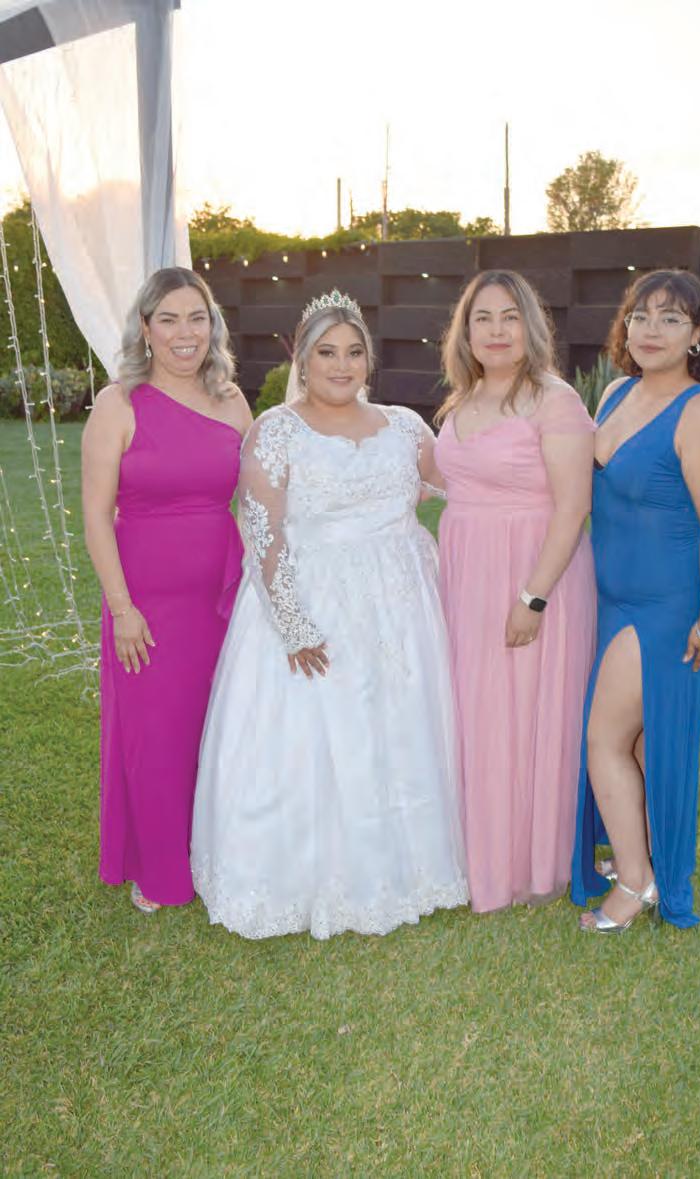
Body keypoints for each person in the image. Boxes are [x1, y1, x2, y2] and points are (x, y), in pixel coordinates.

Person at [190, 290, 468, 939]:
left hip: (401, 605)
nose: (342, 366)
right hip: (313, 601)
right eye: (327, 353)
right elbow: (264, 531)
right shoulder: (275, 430)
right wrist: (293, 624)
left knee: (401, 728)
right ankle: (310, 874)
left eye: (353, 352)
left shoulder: (405, 426)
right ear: (304, 361)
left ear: (369, 359)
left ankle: (409, 864)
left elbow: (459, 485)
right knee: (318, 733)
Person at [571, 268, 700, 932]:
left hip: (665, 608)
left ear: (697, 334)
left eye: (671, 319)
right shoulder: (616, 392)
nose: (651, 330)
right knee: (641, 743)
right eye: (641, 316)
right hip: (610, 597)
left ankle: (635, 883)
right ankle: (641, 856)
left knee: (605, 738)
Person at [82, 267, 252, 914]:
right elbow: (96, 515)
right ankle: (157, 868)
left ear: (213, 326)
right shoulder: (118, 404)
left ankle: (214, 851)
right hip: (145, 605)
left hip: (221, 598)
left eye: (197, 318)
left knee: (217, 726)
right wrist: (122, 608)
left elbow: (259, 498)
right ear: (146, 328)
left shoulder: (232, 401)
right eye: (170, 319)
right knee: (154, 736)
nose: (186, 333)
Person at [434, 270, 596, 912]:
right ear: (465, 331)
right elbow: (448, 483)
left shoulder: (554, 401)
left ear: (530, 326)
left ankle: (530, 863)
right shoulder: (460, 401)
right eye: (483, 318)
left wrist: (533, 597)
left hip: (535, 574)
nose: (496, 331)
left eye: (509, 317)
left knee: (527, 711)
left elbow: (573, 507)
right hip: (466, 575)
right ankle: (477, 852)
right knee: (476, 711)